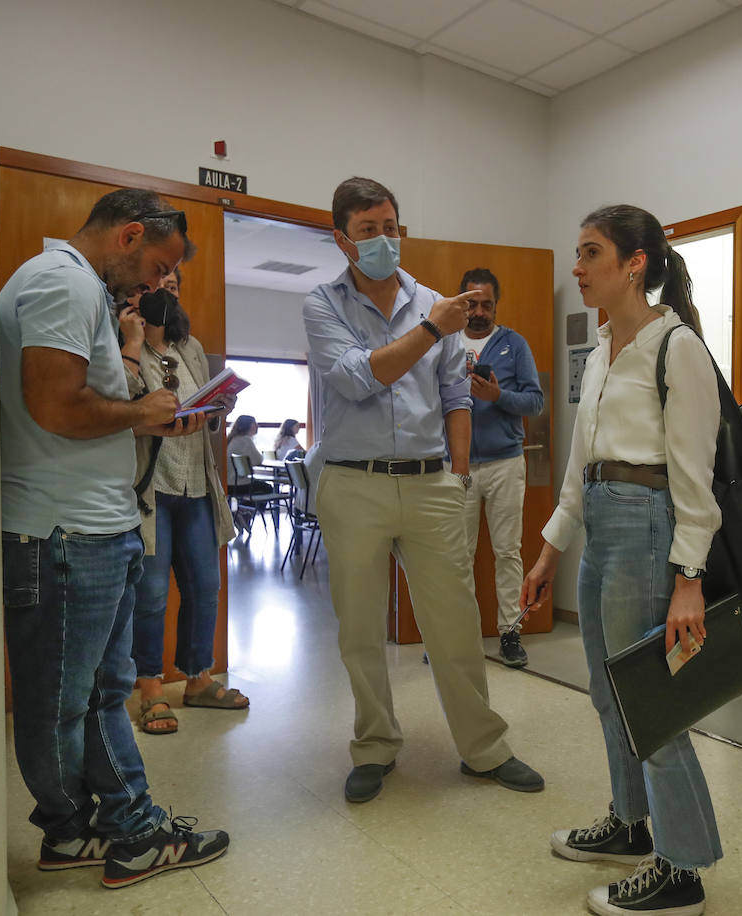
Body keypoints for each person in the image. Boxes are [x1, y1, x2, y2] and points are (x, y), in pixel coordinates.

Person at [0, 188, 229, 888]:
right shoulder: (62, 283)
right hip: (68, 530)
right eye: (160, 266)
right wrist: (139, 413)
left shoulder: (71, 287)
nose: (161, 285)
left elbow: (72, 401)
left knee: (95, 692)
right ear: (129, 236)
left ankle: (76, 834)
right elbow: (56, 405)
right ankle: (127, 832)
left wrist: (147, 413)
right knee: (70, 700)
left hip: (86, 524)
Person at [302, 176, 543, 805]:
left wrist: (459, 474)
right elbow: (359, 379)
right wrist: (434, 331)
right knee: (360, 628)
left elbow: (457, 397)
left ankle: (484, 748)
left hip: (432, 481)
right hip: (352, 483)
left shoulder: (436, 301)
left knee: (457, 624)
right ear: (341, 240)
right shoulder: (323, 306)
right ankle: (375, 745)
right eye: (367, 230)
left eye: (390, 226)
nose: (383, 239)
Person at [522, 204, 722, 916]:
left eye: (590, 252)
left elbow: (694, 479)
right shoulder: (604, 351)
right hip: (603, 525)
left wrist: (688, 580)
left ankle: (683, 868)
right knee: (609, 694)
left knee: (652, 701)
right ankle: (634, 826)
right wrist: (550, 547)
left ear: (635, 263)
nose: (576, 267)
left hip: (647, 525)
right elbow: (582, 465)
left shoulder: (679, 348)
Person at [119, 278, 247, 737]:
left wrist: (218, 407)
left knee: (205, 587)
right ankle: (150, 687)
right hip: (151, 488)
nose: (167, 292)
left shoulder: (188, 346)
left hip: (197, 484)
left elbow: (199, 406)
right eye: (156, 284)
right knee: (151, 595)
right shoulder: (120, 345)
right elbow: (116, 412)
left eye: (174, 284)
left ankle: (198, 678)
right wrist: (132, 338)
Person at [457, 267, 545, 667]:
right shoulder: (443, 344)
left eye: (486, 304)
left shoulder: (514, 344)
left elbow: (535, 402)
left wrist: (498, 395)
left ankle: (510, 633)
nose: (478, 311)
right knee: (458, 555)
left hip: (505, 463)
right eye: (471, 303)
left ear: (496, 306)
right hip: (456, 466)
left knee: (507, 552)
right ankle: (455, 637)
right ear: (460, 303)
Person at [226, 414, 272, 497]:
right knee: (268, 488)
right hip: (239, 484)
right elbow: (258, 460)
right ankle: (257, 510)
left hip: (228, 483)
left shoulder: (232, 439)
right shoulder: (245, 440)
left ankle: (248, 509)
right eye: (255, 423)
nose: (257, 426)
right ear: (250, 426)